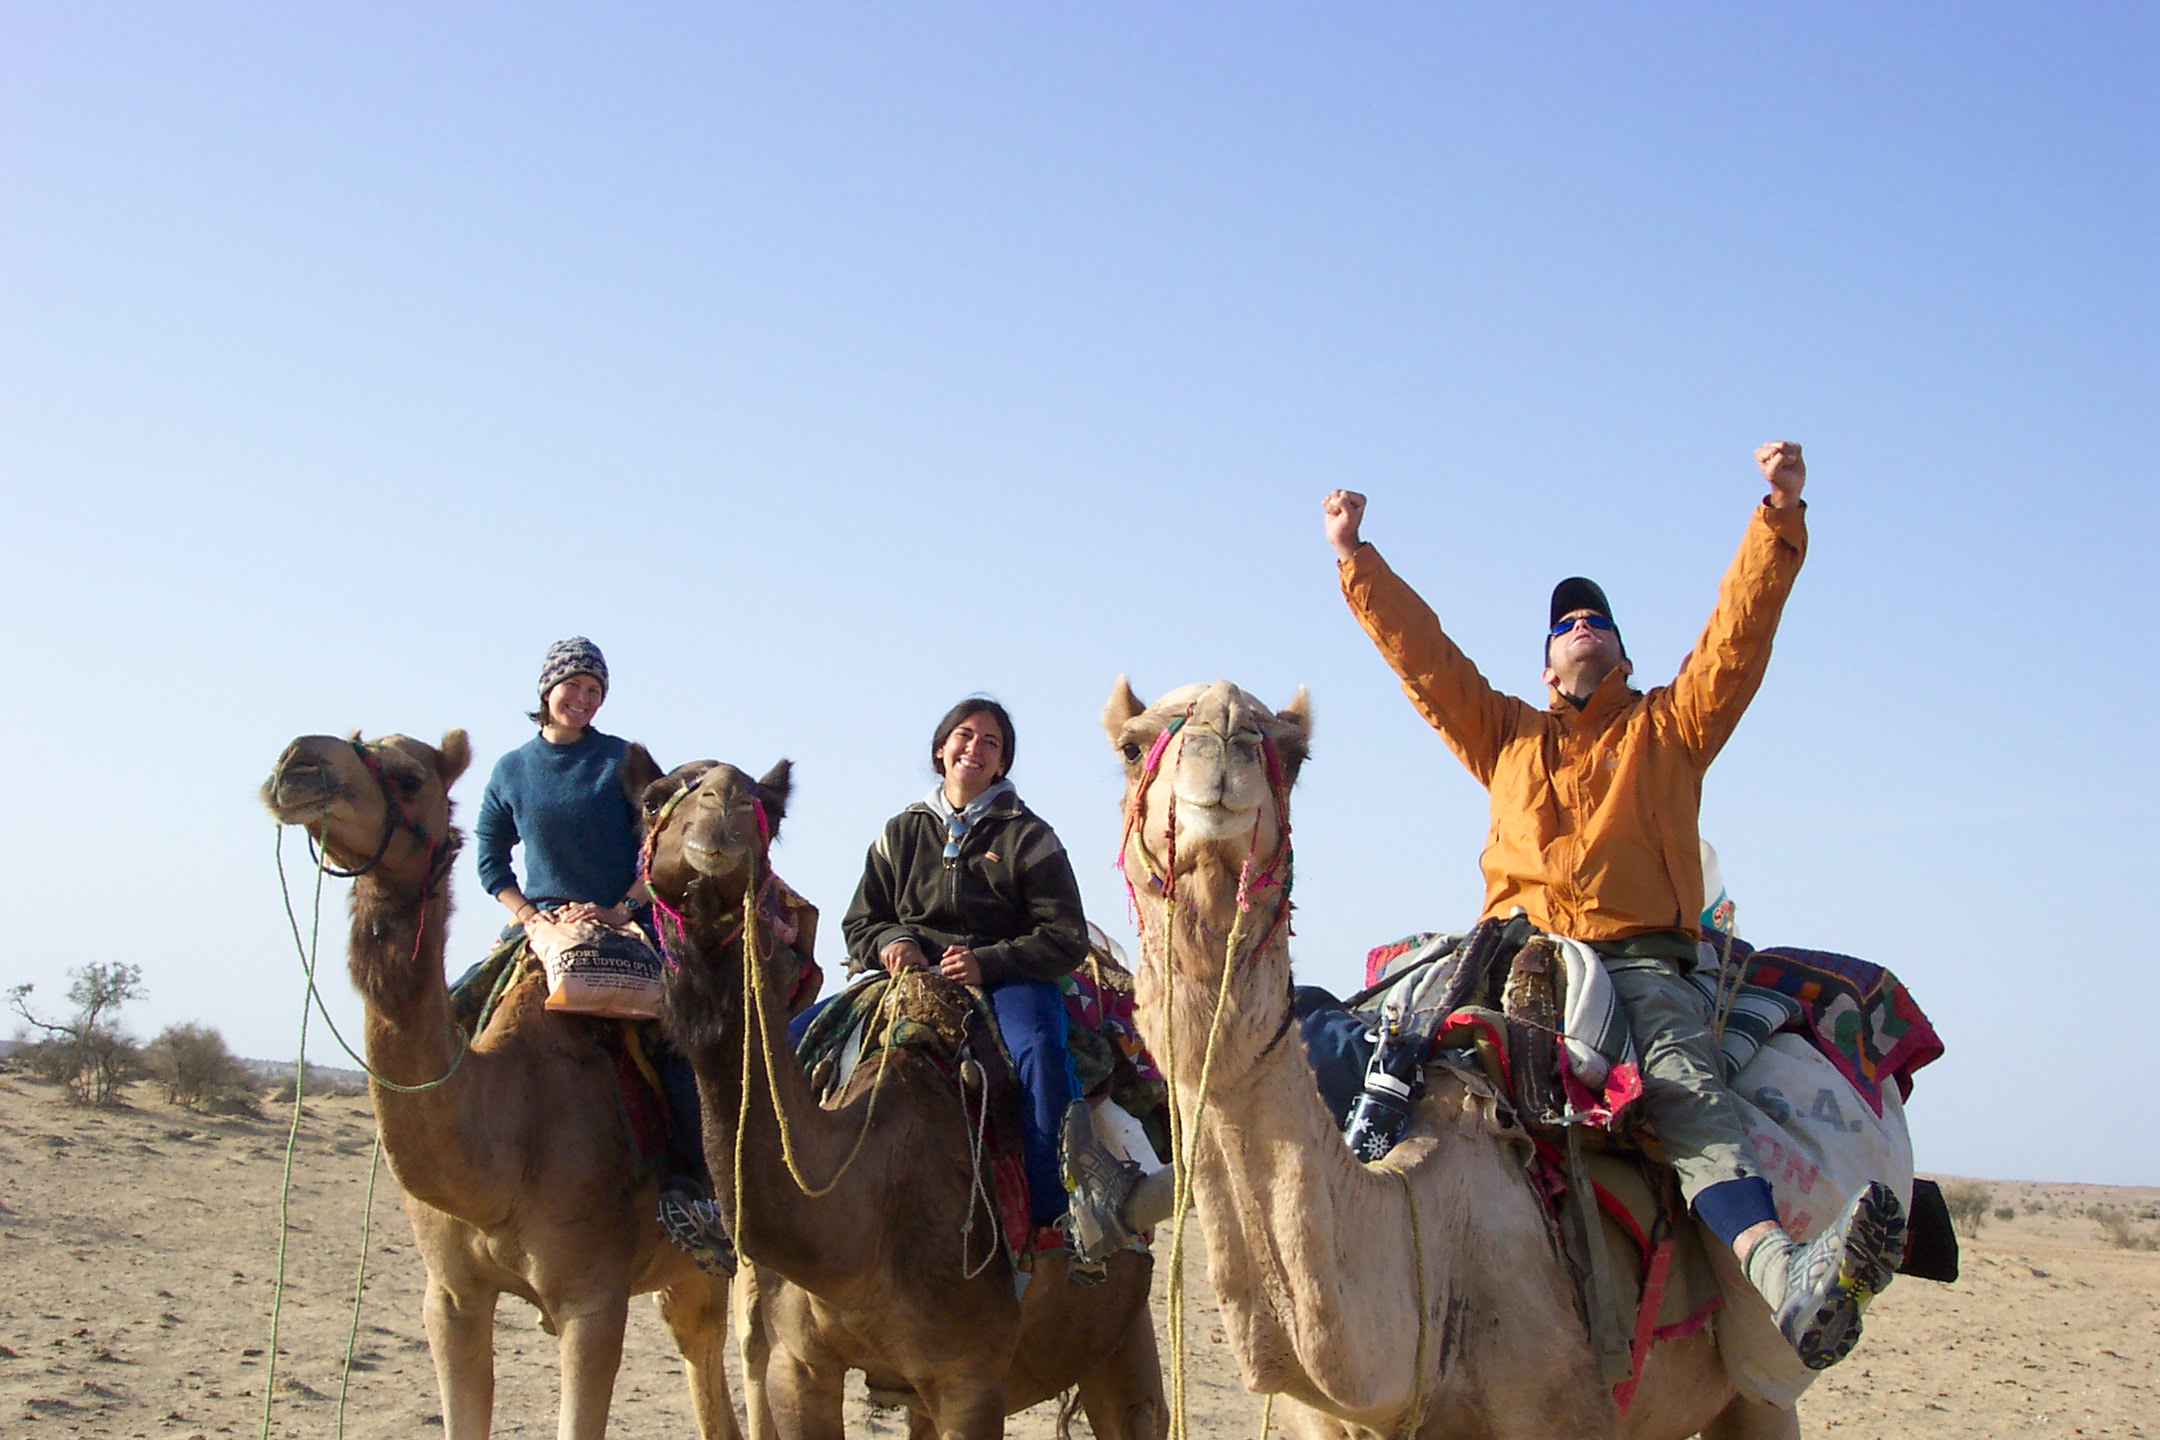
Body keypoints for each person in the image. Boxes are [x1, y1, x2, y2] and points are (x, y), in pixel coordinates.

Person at [1323, 443, 1904, 1372]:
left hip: (1641, 961)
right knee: (1367, 1050)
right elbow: (1425, 663)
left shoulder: (1672, 725)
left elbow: (1737, 635)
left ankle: (1785, 1278)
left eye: (1597, 619)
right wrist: (1356, 557)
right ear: (1548, 664)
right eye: (1566, 623)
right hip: (1512, 952)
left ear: (1624, 655)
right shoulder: (1505, 733)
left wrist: (1777, 515)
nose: (1581, 625)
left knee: (1686, 1095)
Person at [840, 697, 1134, 1271]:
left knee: (1041, 1054)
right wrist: (891, 942)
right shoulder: (900, 833)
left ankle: (1056, 1215)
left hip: (1010, 978)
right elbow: (861, 919)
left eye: (991, 743)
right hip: (912, 976)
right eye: (965, 735)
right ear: (941, 749)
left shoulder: (1030, 836)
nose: (975, 748)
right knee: (804, 1037)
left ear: (1002, 765)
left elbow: (1064, 935)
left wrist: (988, 962)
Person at [473, 636, 732, 1275]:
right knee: (460, 1010)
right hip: (538, 926)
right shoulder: (511, 769)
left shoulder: (622, 761)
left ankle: (689, 1183)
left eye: (595, 691)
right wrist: (530, 917)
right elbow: (488, 856)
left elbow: (659, 848)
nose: (583, 700)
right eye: (574, 687)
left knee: (677, 1035)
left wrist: (616, 908)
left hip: (622, 919)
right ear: (546, 691)